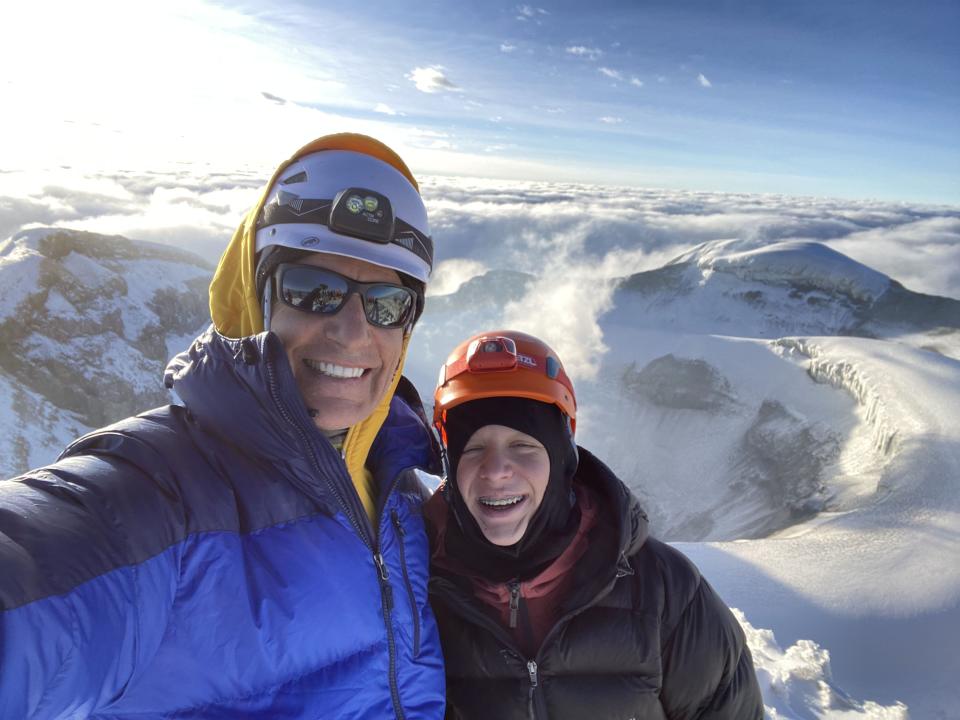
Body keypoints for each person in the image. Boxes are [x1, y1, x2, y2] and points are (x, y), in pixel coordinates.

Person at [0, 134, 446, 718]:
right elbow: (41, 572)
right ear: (256, 297)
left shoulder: (402, 493)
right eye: (315, 291)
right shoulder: (159, 496)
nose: (354, 331)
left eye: (387, 302)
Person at [425, 330, 764, 719]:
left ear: (562, 456)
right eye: (474, 448)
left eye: (523, 446)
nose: (497, 471)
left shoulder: (667, 593)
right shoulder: (418, 592)